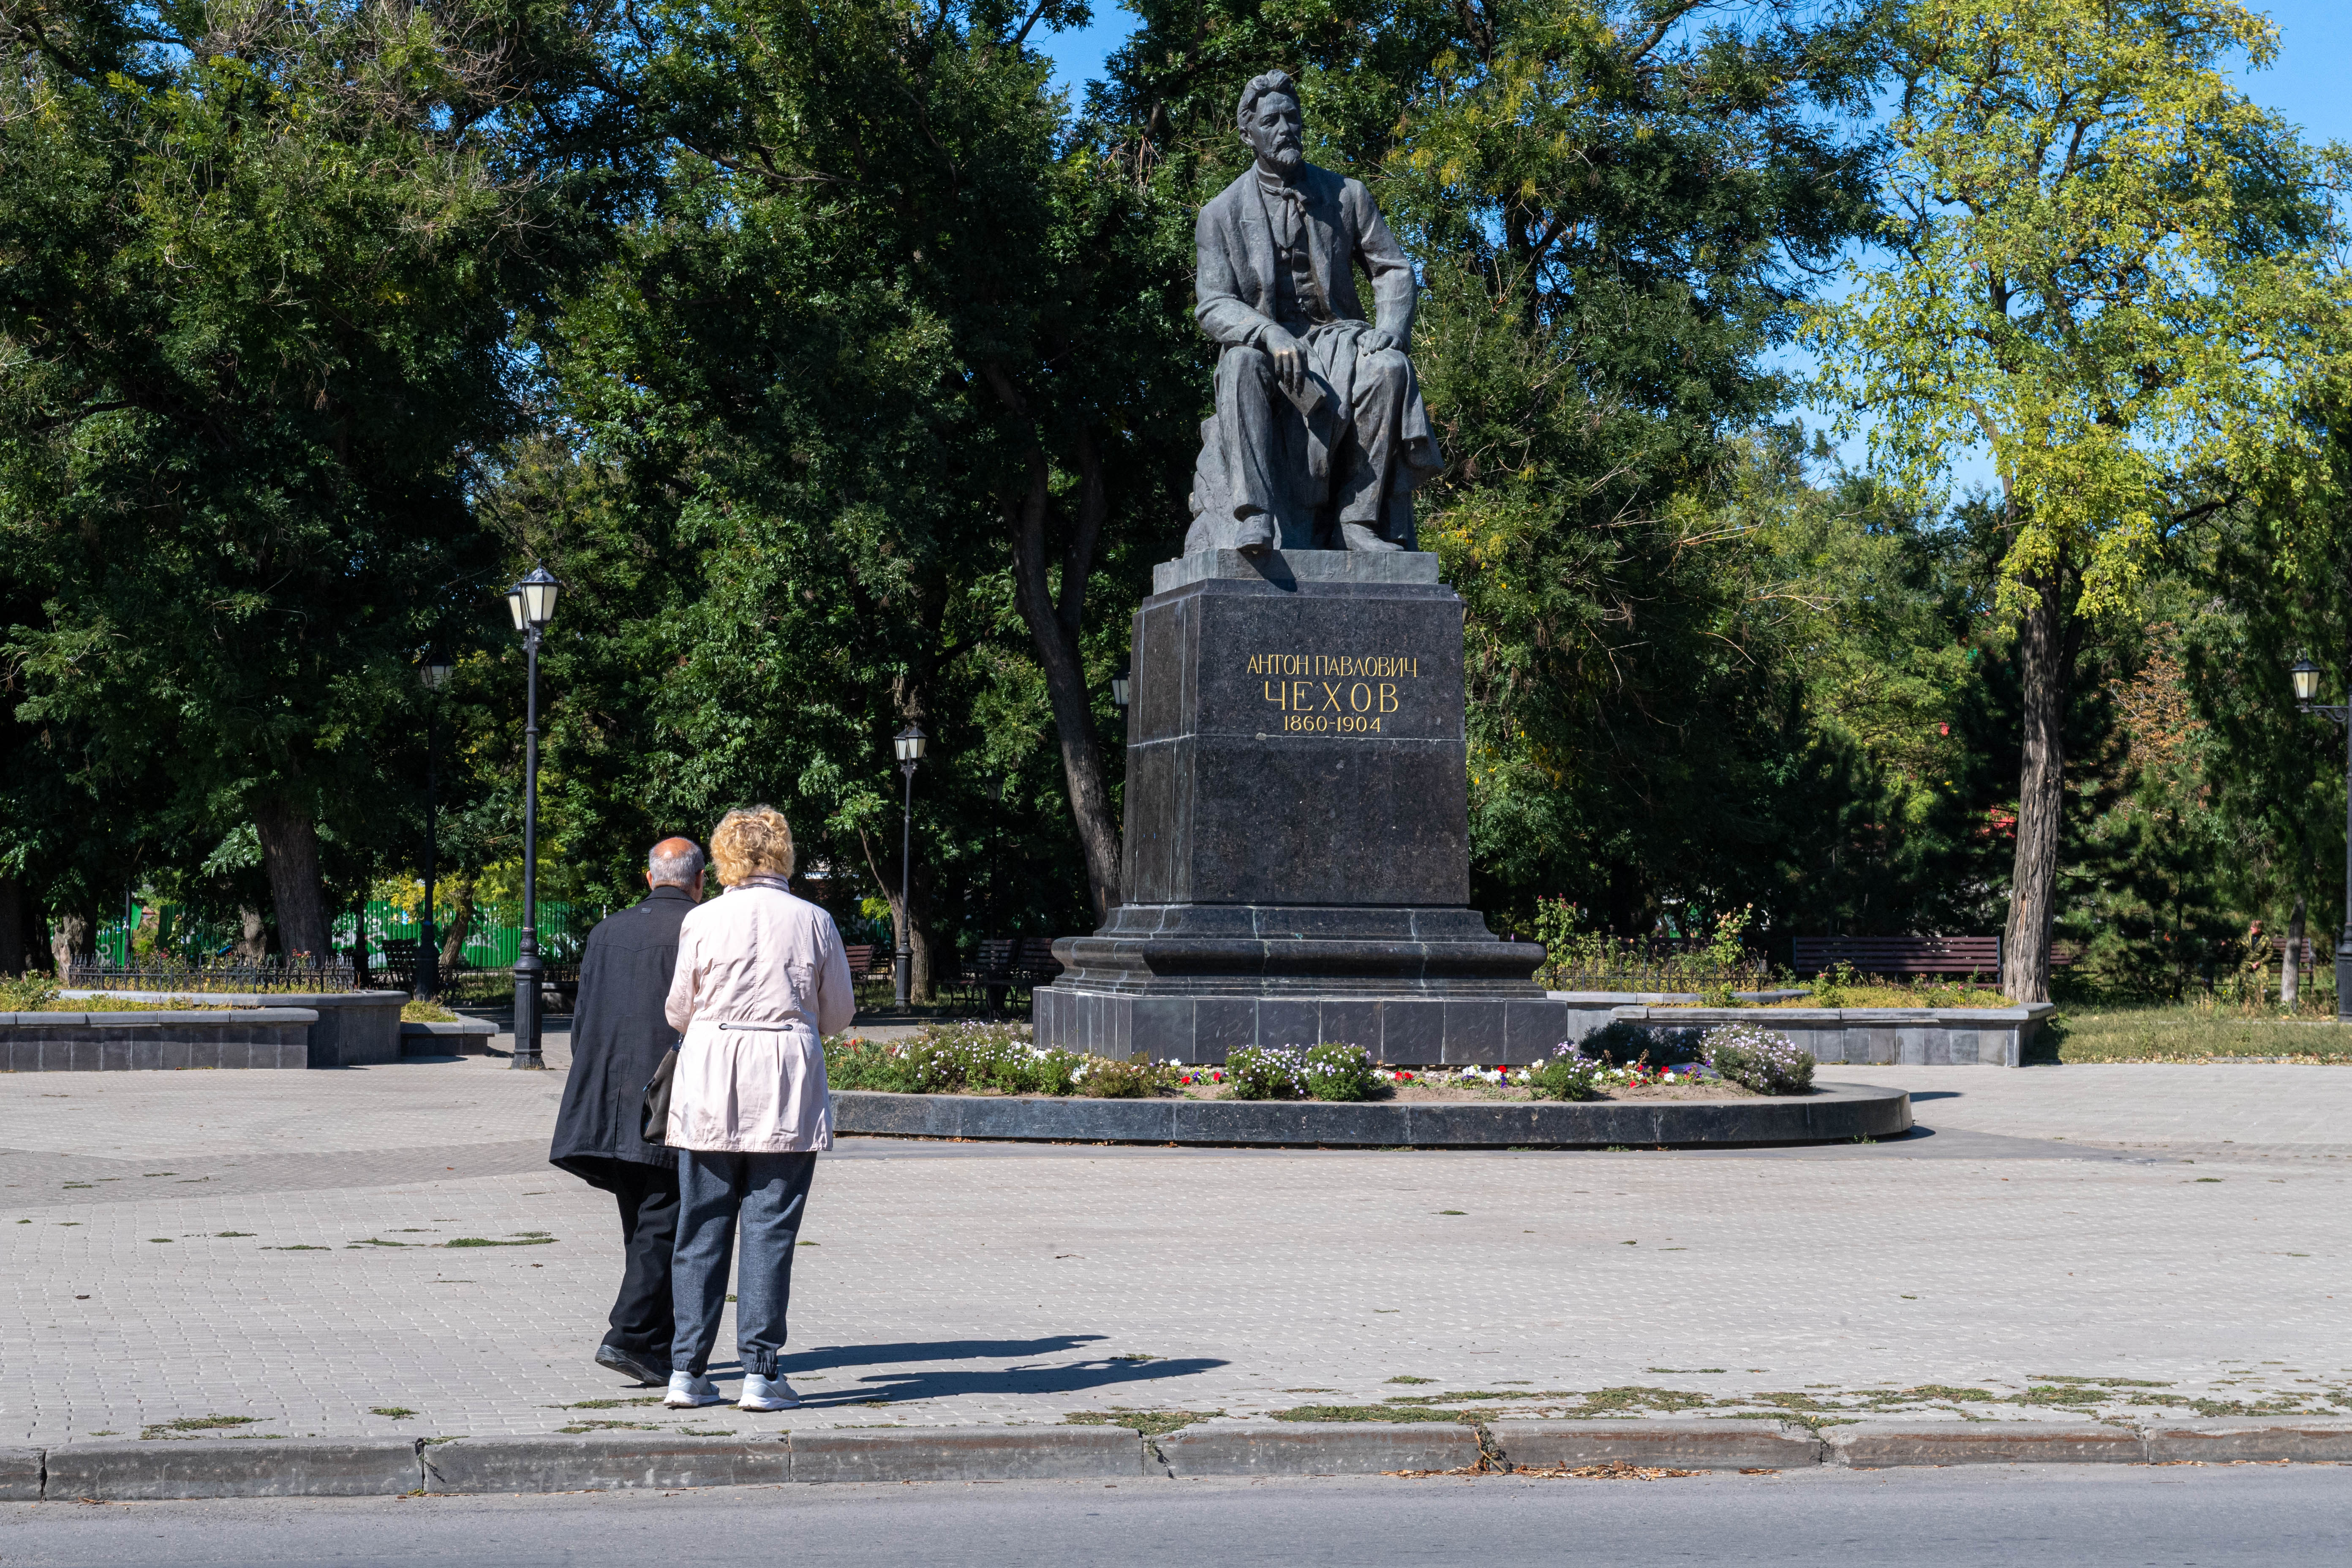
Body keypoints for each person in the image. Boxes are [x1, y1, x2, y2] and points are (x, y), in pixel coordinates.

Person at [1187, 68, 1442, 555]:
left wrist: (1390, 328)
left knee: (1389, 368)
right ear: (1249, 133)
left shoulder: (1347, 194)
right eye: (1272, 121)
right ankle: (1255, 516)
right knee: (1239, 364)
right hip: (1267, 346)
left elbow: (1392, 269)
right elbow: (1214, 303)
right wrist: (1265, 332)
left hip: (1338, 339)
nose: (1286, 129)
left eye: (1292, 117)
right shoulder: (1220, 213)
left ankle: (1359, 520)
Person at [660, 805, 855, 1412]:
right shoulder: (814, 920)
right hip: (784, 1082)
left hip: (712, 1078)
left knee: (701, 1227)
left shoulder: (703, 919)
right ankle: (761, 1373)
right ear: (783, 853)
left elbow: (677, 1009)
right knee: (770, 1228)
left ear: (722, 856)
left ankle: (688, 1371)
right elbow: (838, 1013)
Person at [547, 837, 707, 1386]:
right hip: (672, 1097)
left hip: (609, 1102)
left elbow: (582, 1021)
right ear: (699, 880)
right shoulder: (702, 928)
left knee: (643, 1221)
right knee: (665, 1217)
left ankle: (653, 1348)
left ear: (649, 879)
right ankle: (630, 1336)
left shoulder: (607, 931)